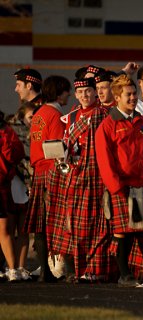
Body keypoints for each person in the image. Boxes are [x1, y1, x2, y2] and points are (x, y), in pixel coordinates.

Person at [95, 74, 143, 286]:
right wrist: (116, 188)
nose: (133, 98)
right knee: (123, 233)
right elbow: (104, 161)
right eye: (128, 94)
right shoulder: (107, 126)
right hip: (123, 186)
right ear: (117, 97)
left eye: (134, 93)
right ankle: (125, 275)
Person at [50, 77, 114, 283]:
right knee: (75, 227)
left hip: (95, 177)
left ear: (95, 93)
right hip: (74, 176)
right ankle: (78, 271)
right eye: (80, 92)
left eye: (88, 91)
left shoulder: (103, 114)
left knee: (96, 226)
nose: (85, 95)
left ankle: (96, 270)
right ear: (76, 95)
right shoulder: (73, 116)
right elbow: (68, 141)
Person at [24, 75, 71, 283]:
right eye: (66, 91)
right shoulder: (55, 115)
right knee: (55, 222)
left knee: (41, 223)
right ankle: (53, 270)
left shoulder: (39, 114)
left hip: (39, 172)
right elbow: (57, 148)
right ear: (60, 92)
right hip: (52, 171)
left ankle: (45, 271)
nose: (69, 94)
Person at [7, 101, 36, 280]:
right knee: (9, 229)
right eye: (30, 117)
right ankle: (10, 267)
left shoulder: (37, 133)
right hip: (14, 184)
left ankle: (21, 266)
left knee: (24, 230)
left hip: (29, 186)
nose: (33, 121)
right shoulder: (14, 132)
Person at [0, 110, 25, 281]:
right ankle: (12, 269)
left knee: (4, 230)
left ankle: (12, 269)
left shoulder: (6, 131)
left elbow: (14, 155)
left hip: (2, 183)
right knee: (4, 231)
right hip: (3, 183)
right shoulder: (7, 131)